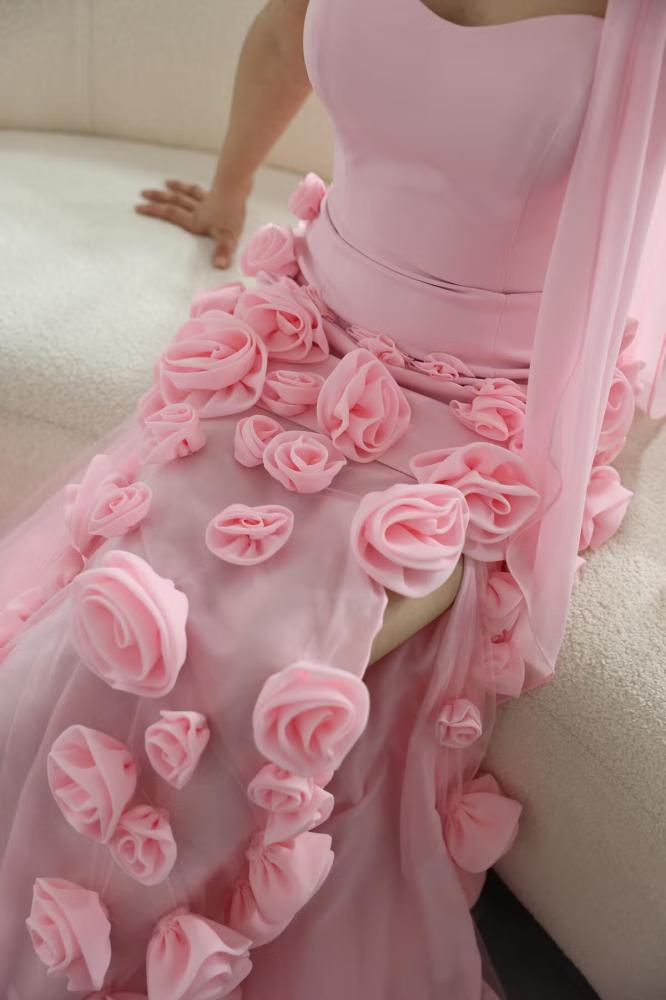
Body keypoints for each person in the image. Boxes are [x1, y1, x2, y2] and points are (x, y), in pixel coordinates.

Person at [2, 0, 665, 997]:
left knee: (262, 668)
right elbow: (283, 40)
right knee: (117, 616)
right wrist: (229, 191)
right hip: (295, 339)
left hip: (474, 413)